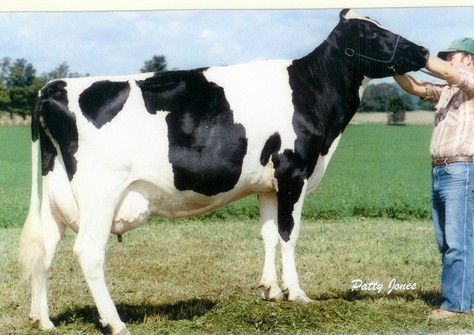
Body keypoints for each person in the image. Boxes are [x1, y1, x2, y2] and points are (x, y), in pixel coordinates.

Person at [394, 37, 474, 319]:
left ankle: (457, 306)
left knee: (457, 240)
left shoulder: (470, 82)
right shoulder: (448, 91)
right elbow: (414, 87)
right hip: (441, 170)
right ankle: (462, 295)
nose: (448, 60)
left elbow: (447, 72)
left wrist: (416, 55)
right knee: (445, 241)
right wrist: (393, 65)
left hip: (461, 170)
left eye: (452, 56)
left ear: (469, 60)